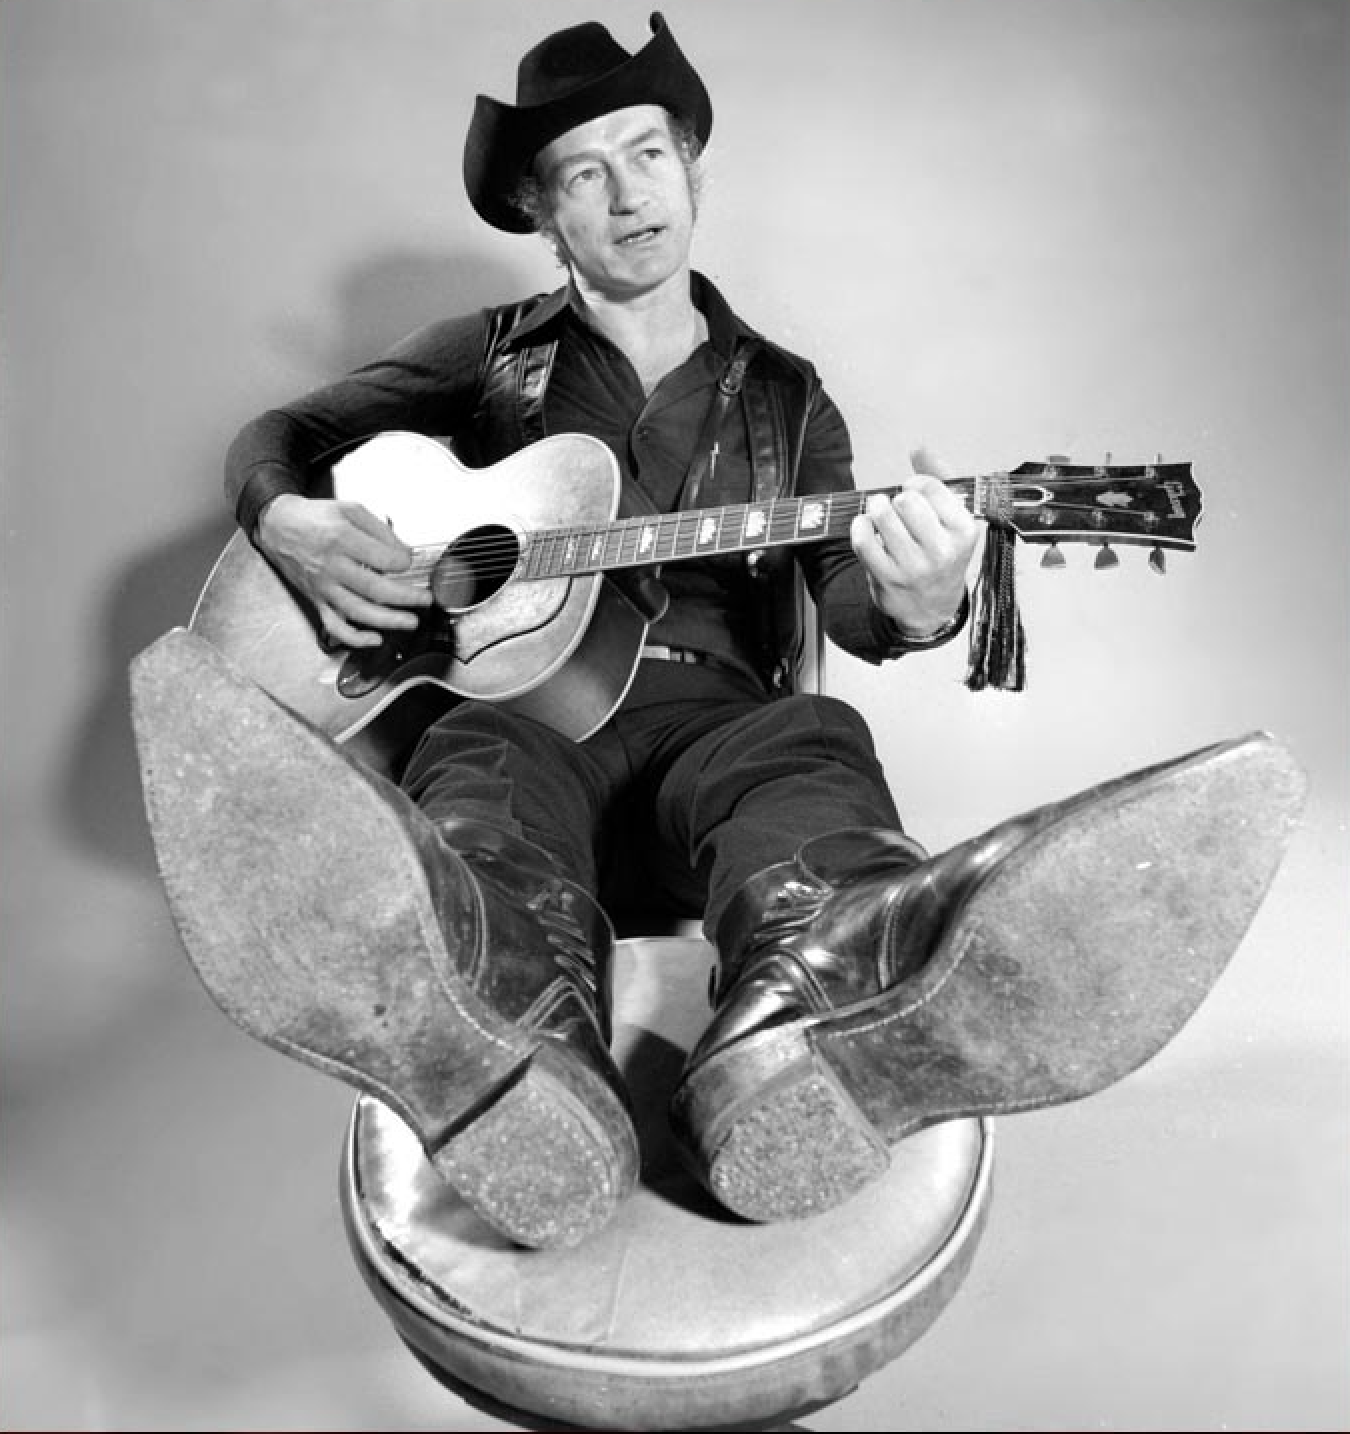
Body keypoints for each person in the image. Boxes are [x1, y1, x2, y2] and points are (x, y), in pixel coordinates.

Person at [132, 13, 1303, 1251]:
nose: (628, 193)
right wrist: (293, 523)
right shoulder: (485, 358)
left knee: (810, 741)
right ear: (543, 213)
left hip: (719, 738)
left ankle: (809, 1021)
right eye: (584, 172)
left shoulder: (790, 397)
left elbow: (849, 601)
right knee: (476, 781)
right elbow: (277, 437)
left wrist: (921, 598)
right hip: (520, 720)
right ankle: (518, 1051)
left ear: (692, 165)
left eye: (647, 152)